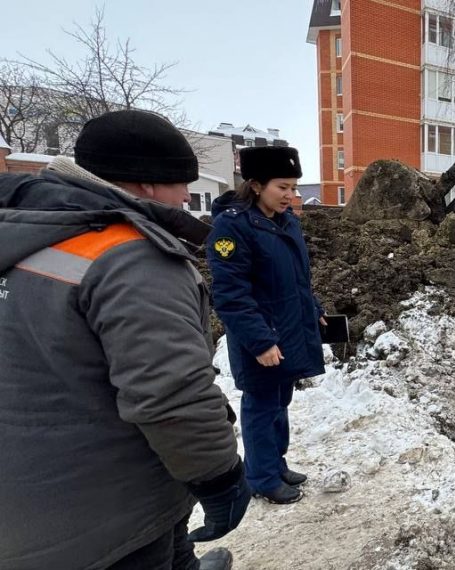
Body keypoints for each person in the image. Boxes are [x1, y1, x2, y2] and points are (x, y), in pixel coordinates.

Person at [0, 110, 248, 570]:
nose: (185, 197)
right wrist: (220, 479)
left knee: (172, 546)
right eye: (182, 184)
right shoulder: (131, 258)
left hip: (33, 493)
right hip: (103, 512)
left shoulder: (28, 232)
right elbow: (172, 394)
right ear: (149, 184)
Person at [208, 146, 326, 505]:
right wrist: (260, 342)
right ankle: (261, 477)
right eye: (283, 188)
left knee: (281, 400)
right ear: (256, 185)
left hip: (288, 328)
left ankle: (276, 463)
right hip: (261, 336)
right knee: (261, 405)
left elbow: (296, 279)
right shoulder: (232, 228)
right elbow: (230, 294)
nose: (292, 196)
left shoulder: (284, 221)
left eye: (294, 187)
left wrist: (315, 308)